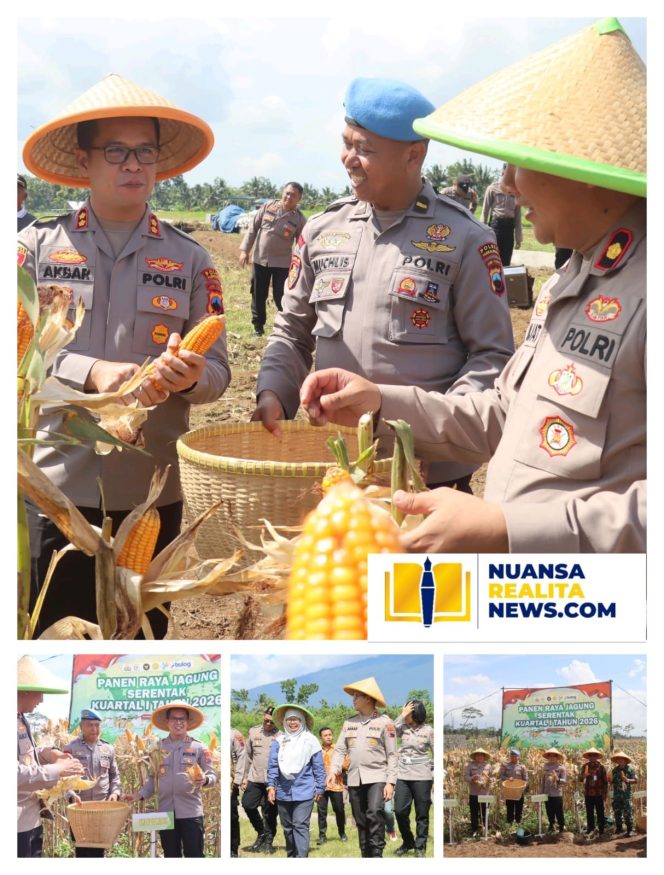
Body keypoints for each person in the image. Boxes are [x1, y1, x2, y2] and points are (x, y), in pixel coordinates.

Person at [299, 20, 646, 554]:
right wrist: (378, 402)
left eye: (519, 164)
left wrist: (508, 528)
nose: (505, 185)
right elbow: (503, 415)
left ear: (583, 170)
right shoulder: (573, 279)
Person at [18, 73, 230, 638]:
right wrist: (91, 372)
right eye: (116, 151)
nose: (133, 164)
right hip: (56, 487)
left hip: (150, 492)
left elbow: (220, 374)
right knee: (53, 638)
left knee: (140, 641)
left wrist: (190, 376)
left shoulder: (190, 260)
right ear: (84, 160)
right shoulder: (35, 249)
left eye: (145, 152)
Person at [253, 76, 514, 493]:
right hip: (336, 467)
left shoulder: (466, 239)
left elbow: (491, 358)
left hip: (427, 479)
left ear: (414, 155)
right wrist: (273, 394)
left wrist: (432, 439)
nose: (348, 159)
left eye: (365, 149)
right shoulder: (323, 231)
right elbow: (291, 332)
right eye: (346, 143)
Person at [124, 702, 215, 857]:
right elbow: (154, 779)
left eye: (182, 719)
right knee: (171, 855)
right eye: (174, 719)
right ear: (167, 722)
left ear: (188, 722)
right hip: (166, 812)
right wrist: (139, 795)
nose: (178, 723)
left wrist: (205, 779)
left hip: (191, 812)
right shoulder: (157, 748)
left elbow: (213, 775)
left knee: (195, 855)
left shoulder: (199, 747)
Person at [17, 655, 85, 857]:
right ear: (26, 689)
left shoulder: (20, 719)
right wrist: (58, 770)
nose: (42, 699)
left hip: (32, 817)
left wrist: (49, 754)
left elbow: (26, 755)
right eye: (40, 693)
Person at [329, 676, 397, 858]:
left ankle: (376, 854)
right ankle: (365, 854)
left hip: (378, 777)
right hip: (354, 778)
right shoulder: (349, 723)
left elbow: (392, 754)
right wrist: (333, 770)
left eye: (356, 696)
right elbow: (340, 749)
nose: (353, 700)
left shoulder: (385, 723)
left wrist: (391, 782)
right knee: (360, 820)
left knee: (374, 812)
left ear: (368, 698)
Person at [239, 183, 306, 336]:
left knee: (281, 296)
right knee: (258, 294)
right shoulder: (268, 207)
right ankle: (258, 327)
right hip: (260, 260)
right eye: (287, 193)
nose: (289, 197)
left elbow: (302, 244)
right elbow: (253, 229)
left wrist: (299, 265)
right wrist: (244, 251)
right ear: (282, 192)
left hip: (282, 264)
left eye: (293, 195)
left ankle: (283, 327)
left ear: (299, 199)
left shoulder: (299, 218)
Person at [266, 704, 326, 857]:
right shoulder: (278, 741)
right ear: (285, 722)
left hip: (304, 790)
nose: (292, 723)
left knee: (300, 824)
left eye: (296, 720)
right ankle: (291, 856)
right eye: (289, 720)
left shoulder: (311, 741)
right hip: (283, 791)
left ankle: (301, 858)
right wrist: (271, 787)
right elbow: (273, 766)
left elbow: (318, 767)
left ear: (302, 722)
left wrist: (320, 787)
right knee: (287, 826)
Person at [64, 708, 121, 857]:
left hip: (101, 809)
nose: (94, 729)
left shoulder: (108, 749)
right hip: (79, 810)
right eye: (90, 725)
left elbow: (114, 776)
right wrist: (70, 794)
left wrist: (115, 793)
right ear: (81, 727)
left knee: (99, 851)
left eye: (97, 725)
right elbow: (63, 779)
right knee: (82, 851)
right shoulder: (71, 748)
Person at [393, 699, 434, 857]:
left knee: (422, 812)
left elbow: (437, 753)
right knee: (399, 811)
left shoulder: (429, 730)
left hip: (422, 776)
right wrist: (401, 716)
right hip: (403, 774)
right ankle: (408, 841)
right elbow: (387, 732)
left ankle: (420, 846)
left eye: (407, 710)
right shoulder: (402, 727)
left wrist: (436, 779)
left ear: (415, 713)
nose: (404, 712)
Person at [241, 707, 279, 854]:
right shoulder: (253, 732)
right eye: (266, 720)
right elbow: (248, 756)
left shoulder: (281, 735)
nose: (269, 724)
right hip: (255, 777)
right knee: (247, 804)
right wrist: (244, 776)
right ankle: (261, 831)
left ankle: (268, 842)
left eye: (272, 722)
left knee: (270, 813)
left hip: (272, 780)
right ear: (263, 717)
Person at [481, 168, 522, 265]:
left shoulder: (516, 192)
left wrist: (518, 238)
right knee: (493, 258)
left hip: (509, 228)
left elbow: (518, 217)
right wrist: (482, 233)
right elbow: (485, 211)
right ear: (502, 173)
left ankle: (503, 279)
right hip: (496, 226)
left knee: (506, 259)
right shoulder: (492, 188)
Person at [316, 726, 348, 844]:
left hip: (337, 785)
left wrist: (340, 767)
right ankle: (322, 835)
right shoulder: (317, 750)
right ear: (321, 737)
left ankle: (342, 833)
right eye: (325, 735)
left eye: (330, 734)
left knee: (339, 810)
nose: (328, 737)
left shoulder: (338, 749)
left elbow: (346, 763)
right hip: (321, 786)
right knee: (321, 811)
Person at [463, 747, 492, 836]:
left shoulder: (488, 766)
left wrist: (490, 780)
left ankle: (485, 829)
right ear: (475, 757)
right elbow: (465, 776)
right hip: (474, 792)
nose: (480, 757)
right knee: (474, 811)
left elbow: (492, 776)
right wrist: (472, 778)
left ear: (484, 757)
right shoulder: (470, 765)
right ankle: (474, 829)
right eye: (478, 756)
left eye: (481, 756)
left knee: (484, 811)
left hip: (484, 793)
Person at [579, 747, 608, 836]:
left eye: (594, 756)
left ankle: (601, 829)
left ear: (597, 757)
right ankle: (590, 828)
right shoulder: (585, 766)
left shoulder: (601, 767)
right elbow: (580, 779)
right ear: (588, 757)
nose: (592, 757)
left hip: (599, 793)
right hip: (588, 793)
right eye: (590, 756)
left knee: (600, 811)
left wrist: (605, 793)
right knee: (589, 811)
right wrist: (584, 775)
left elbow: (605, 781)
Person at [610, 750, 637, 837]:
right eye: (618, 760)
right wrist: (609, 780)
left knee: (627, 811)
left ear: (625, 760)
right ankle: (619, 828)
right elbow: (612, 781)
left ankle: (630, 830)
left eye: (622, 760)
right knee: (617, 811)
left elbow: (636, 780)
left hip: (626, 795)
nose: (620, 761)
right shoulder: (614, 770)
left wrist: (628, 780)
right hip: (617, 794)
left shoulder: (630, 770)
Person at [499, 748, 528, 827]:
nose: (513, 758)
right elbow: (501, 776)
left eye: (515, 756)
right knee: (510, 807)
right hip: (509, 790)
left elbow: (525, 778)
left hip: (519, 791)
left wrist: (523, 787)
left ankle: (518, 823)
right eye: (512, 756)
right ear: (510, 756)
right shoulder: (506, 765)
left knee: (519, 807)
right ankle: (509, 823)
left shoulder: (522, 767)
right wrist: (507, 778)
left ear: (518, 757)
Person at [541, 748, 566, 832]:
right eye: (550, 756)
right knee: (549, 810)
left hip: (557, 793)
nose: (551, 758)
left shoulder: (561, 768)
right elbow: (543, 780)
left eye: (553, 756)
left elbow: (564, 781)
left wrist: (557, 779)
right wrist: (542, 792)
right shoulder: (545, 766)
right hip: (547, 793)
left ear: (557, 757)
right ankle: (551, 825)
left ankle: (561, 826)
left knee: (558, 811)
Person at [230, 727, 246, 857]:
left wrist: (238, 779)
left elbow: (242, 755)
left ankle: (233, 849)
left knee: (232, 816)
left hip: (230, 781)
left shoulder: (234, 733)